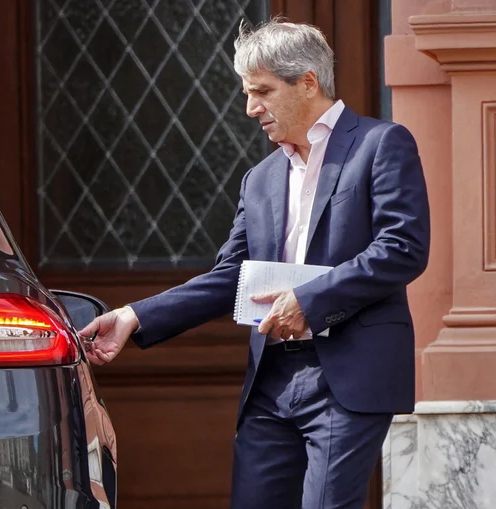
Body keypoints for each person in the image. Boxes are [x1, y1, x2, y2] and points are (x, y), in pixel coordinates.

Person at [79, 17, 430, 509]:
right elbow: (231, 278)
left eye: (262, 91)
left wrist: (308, 302)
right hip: (271, 382)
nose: (250, 108)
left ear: (308, 82)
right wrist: (135, 316)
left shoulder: (380, 145)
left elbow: (403, 247)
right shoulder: (259, 178)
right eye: (248, 93)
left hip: (348, 376)